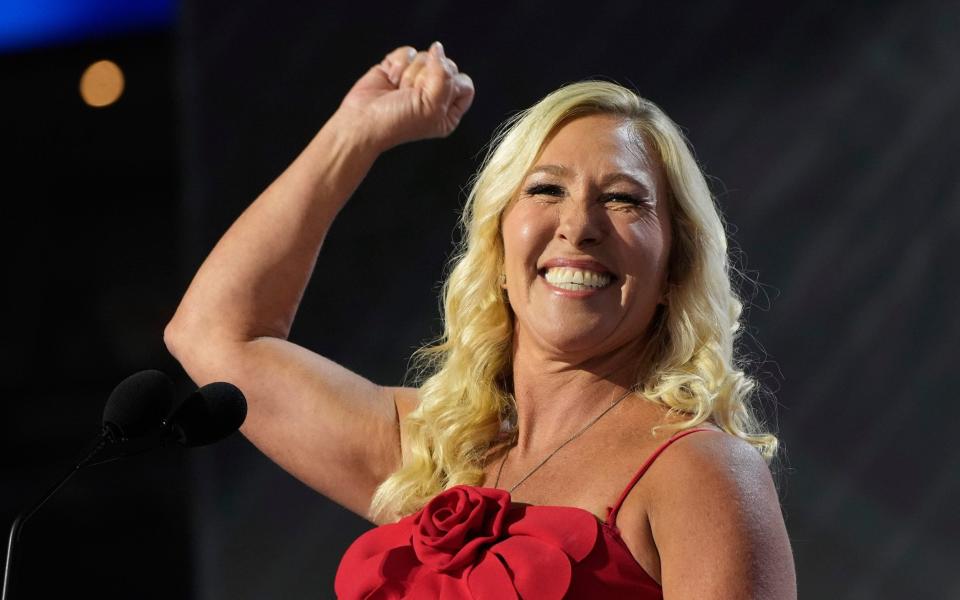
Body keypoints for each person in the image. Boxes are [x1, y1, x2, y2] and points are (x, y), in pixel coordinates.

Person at [165, 42, 797, 598]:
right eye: (546, 190)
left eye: (623, 199)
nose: (578, 225)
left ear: (673, 274)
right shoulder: (433, 453)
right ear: (497, 252)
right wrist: (353, 134)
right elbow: (215, 335)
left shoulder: (698, 471)